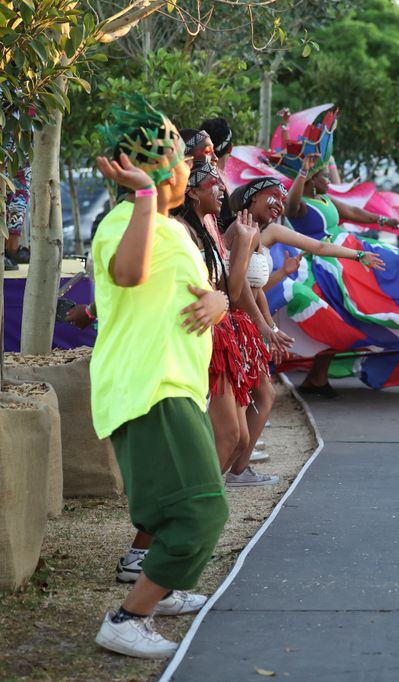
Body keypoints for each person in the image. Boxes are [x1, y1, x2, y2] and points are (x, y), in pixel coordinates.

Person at [90, 98, 229, 658]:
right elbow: (129, 274)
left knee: (174, 510)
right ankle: (126, 619)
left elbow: (190, 294)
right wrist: (145, 197)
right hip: (151, 387)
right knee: (203, 510)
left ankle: (162, 589)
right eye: (175, 156)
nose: (185, 166)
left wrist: (219, 301)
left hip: (177, 384)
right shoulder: (124, 222)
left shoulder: (172, 227)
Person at [283, 153, 399, 396]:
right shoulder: (302, 206)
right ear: (312, 181)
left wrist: (383, 221)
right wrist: (303, 171)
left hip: (346, 256)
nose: (329, 181)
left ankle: (317, 377)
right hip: (323, 265)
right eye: (325, 177)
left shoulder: (325, 199)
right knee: (336, 319)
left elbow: (351, 212)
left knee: (357, 309)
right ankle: (317, 377)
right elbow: (290, 205)